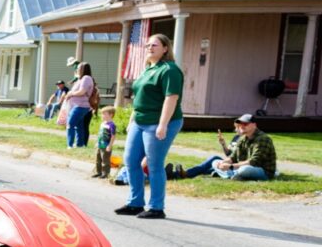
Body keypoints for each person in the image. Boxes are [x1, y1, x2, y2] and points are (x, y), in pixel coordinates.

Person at [116, 33, 183, 219]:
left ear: (165, 48)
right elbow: (138, 98)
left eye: (154, 45)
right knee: (130, 160)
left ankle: (156, 207)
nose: (150, 48)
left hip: (159, 122)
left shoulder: (170, 70)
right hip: (140, 121)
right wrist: (131, 121)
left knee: (154, 164)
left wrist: (163, 125)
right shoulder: (148, 69)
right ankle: (135, 203)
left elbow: (171, 98)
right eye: (148, 45)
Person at [172, 114, 277, 181]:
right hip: (239, 167)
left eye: (245, 123)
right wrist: (223, 163)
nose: (242, 126)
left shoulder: (263, 139)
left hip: (262, 171)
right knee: (215, 162)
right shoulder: (242, 138)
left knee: (244, 169)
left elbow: (253, 162)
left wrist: (230, 167)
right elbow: (232, 157)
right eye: (240, 124)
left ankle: (229, 174)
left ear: (254, 124)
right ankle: (232, 176)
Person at [64, 62, 95, 148]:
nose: (77, 70)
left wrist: (71, 94)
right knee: (79, 126)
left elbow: (82, 91)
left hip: (81, 106)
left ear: (83, 69)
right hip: (76, 105)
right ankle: (80, 144)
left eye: (78, 68)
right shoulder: (80, 79)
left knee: (70, 124)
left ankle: (69, 145)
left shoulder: (86, 78)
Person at [92, 105, 116, 178]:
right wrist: (97, 142)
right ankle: (98, 172)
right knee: (98, 159)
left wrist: (110, 145)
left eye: (104, 114)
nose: (102, 115)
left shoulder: (112, 125)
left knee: (105, 160)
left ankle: (105, 173)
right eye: (102, 114)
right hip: (100, 144)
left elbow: (113, 136)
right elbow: (100, 134)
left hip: (106, 146)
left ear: (111, 115)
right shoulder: (102, 124)